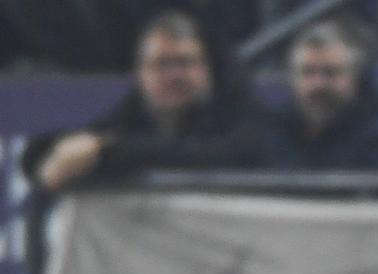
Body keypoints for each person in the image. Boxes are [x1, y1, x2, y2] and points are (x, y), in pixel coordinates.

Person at [26, 10, 248, 193]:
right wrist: (57, 156)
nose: (174, 76)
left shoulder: (239, 112)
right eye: (161, 64)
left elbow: (220, 154)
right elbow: (39, 154)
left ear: (207, 69)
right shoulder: (132, 112)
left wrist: (106, 153)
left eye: (185, 62)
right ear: (141, 74)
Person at [249, 18, 378, 171]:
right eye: (307, 72)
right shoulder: (272, 125)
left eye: (330, 72)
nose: (318, 84)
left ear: (354, 75)